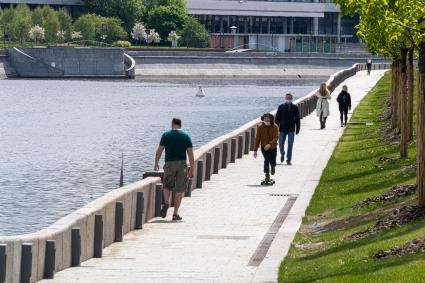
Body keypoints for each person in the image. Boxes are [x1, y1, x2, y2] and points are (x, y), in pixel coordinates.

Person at [154, 118, 194, 221]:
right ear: (180, 125)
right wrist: (192, 169)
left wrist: (156, 163)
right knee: (180, 190)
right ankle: (175, 214)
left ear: (172, 124)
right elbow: (190, 153)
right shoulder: (186, 136)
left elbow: (159, 150)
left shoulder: (166, 135)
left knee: (167, 185)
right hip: (182, 164)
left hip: (169, 163)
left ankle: (166, 201)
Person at [275, 92, 300, 165]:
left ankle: (288, 159)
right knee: (280, 144)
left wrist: (298, 128)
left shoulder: (295, 107)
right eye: (287, 98)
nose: (288, 99)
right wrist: (275, 128)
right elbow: (277, 119)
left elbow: (297, 119)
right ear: (285, 98)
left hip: (291, 129)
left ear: (292, 98)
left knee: (290, 145)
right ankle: (282, 153)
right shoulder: (281, 107)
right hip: (282, 128)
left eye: (289, 98)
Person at [254, 113, 279, 184]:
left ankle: (273, 166)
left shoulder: (275, 126)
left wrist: (270, 144)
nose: (267, 119)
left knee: (273, 161)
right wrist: (255, 150)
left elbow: (276, 137)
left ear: (271, 119)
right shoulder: (260, 127)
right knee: (267, 160)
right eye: (265, 118)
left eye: (268, 118)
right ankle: (267, 176)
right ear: (263, 119)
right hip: (264, 148)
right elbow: (257, 139)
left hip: (273, 147)